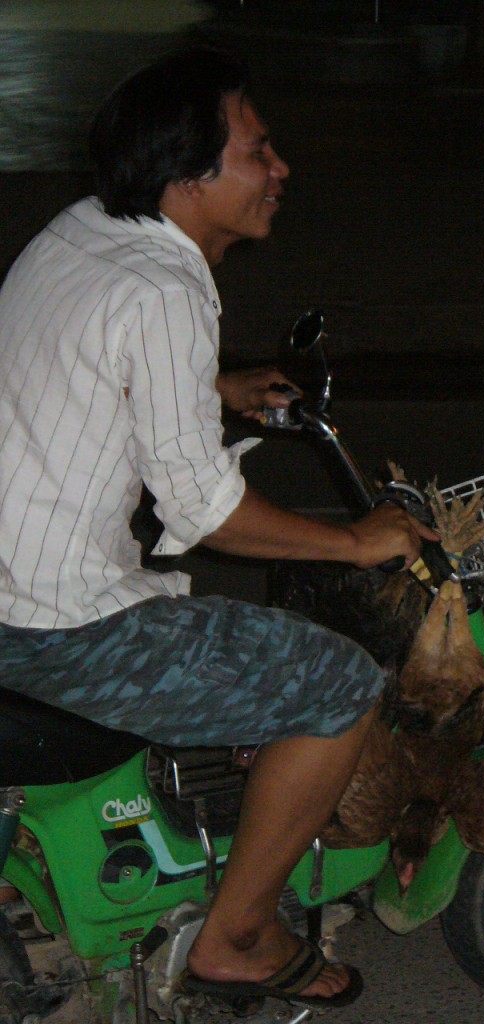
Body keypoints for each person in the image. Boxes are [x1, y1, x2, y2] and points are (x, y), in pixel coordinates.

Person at [0, 47, 436, 1008]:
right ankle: (237, 937)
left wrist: (210, 393)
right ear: (188, 176)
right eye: (259, 149)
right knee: (338, 685)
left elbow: (79, 370)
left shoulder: (79, 231)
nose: (280, 169)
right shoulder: (170, 289)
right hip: (53, 619)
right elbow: (207, 512)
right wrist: (358, 540)